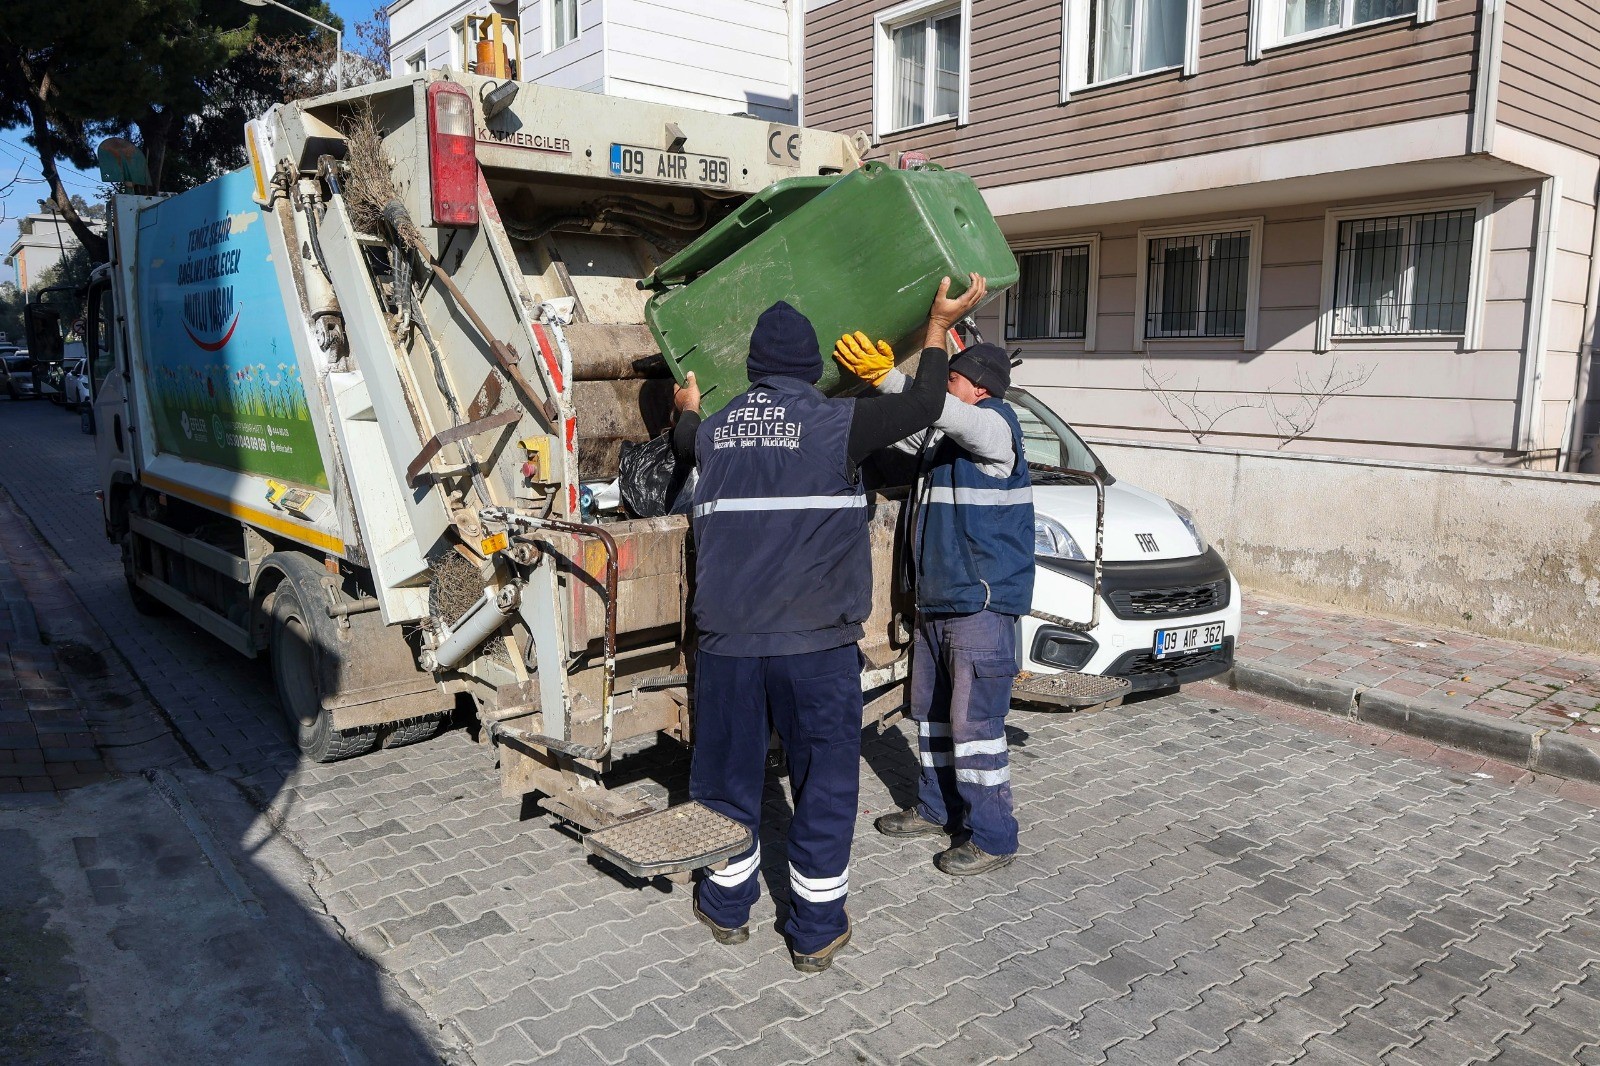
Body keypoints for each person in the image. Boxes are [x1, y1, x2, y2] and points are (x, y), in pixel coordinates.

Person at [670, 275, 988, 972]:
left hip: (726, 647)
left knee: (726, 777)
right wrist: (935, 325)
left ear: (753, 369)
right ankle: (815, 932)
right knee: (823, 783)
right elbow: (929, 402)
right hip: (815, 650)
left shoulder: (716, 433)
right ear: (811, 369)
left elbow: (685, 433)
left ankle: (726, 908)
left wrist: (688, 402)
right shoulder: (837, 424)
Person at [833, 332, 1034, 876]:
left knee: (975, 726)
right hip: (938, 602)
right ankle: (936, 807)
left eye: (950, 380)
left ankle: (992, 836)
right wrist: (872, 398)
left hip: (979, 607)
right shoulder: (941, 441)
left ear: (978, 388)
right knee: (932, 715)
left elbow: (953, 417)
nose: (943, 389)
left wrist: (893, 380)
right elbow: (913, 427)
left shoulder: (997, 429)